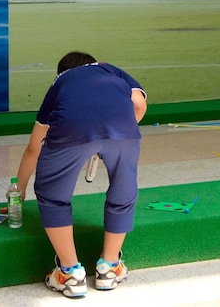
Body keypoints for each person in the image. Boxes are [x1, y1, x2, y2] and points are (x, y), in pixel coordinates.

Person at [16, 51, 147, 297]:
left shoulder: (60, 83)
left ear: (62, 72)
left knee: (52, 195)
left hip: (71, 133)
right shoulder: (110, 69)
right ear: (93, 62)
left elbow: (35, 146)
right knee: (124, 192)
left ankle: (69, 274)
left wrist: (19, 188)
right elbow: (139, 103)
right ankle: (109, 268)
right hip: (124, 129)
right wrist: (116, 133)